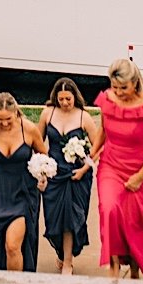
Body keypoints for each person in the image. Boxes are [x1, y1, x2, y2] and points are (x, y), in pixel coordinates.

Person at [90, 57, 143, 279]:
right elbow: (103, 130)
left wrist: (140, 176)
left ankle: (134, 266)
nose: (119, 92)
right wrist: (92, 154)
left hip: (138, 170)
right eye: (115, 87)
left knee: (130, 221)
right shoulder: (108, 100)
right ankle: (113, 266)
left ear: (135, 83)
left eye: (123, 87)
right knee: (109, 209)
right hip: (110, 166)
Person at [0, 92, 49, 272]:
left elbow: (43, 156)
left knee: (12, 246)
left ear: (16, 113)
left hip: (23, 192)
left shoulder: (28, 129)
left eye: (8, 119)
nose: (4, 124)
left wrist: (42, 176)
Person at [37, 78, 98, 274]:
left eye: (68, 99)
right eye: (61, 98)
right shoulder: (47, 114)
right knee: (53, 220)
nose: (64, 103)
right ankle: (62, 254)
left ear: (75, 97)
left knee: (71, 219)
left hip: (76, 176)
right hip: (54, 174)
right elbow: (38, 144)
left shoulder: (83, 117)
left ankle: (68, 263)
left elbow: (98, 148)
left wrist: (84, 170)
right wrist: (43, 170)